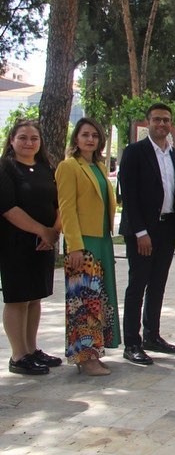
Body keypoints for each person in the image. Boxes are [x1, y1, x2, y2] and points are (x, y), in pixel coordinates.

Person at [118, 102, 175, 365]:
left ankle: (152, 336)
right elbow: (129, 196)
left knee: (158, 284)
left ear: (171, 124)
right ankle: (131, 343)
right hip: (142, 231)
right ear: (148, 123)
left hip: (166, 227)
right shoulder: (135, 152)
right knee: (138, 285)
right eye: (157, 119)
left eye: (166, 120)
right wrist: (140, 232)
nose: (162, 124)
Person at [56, 118, 120, 376]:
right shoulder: (69, 167)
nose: (90, 139)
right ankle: (85, 358)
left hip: (102, 240)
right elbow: (67, 208)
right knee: (84, 303)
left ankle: (95, 352)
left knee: (99, 300)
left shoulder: (100, 167)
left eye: (94, 135)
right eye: (85, 134)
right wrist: (74, 246)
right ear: (76, 138)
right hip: (83, 243)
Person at [0, 119, 61, 375]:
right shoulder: (5, 168)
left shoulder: (47, 168)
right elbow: (8, 208)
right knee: (18, 298)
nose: (29, 143)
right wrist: (41, 230)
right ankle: (18, 355)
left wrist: (53, 232)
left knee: (35, 297)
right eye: (23, 138)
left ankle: (32, 349)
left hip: (44, 244)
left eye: (34, 138)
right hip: (15, 243)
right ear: (12, 140)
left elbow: (60, 203)